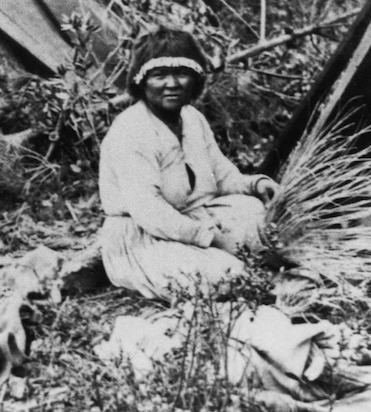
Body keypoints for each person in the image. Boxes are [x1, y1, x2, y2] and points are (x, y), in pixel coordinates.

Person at [98, 28, 279, 300]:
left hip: (195, 217)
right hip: (144, 237)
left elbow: (221, 175)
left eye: (182, 74)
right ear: (141, 81)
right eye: (159, 75)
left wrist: (256, 183)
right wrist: (213, 240)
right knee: (229, 276)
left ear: (195, 79)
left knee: (258, 215)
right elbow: (150, 212)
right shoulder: (131, 130)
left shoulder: (193, 119)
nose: (172, 84)